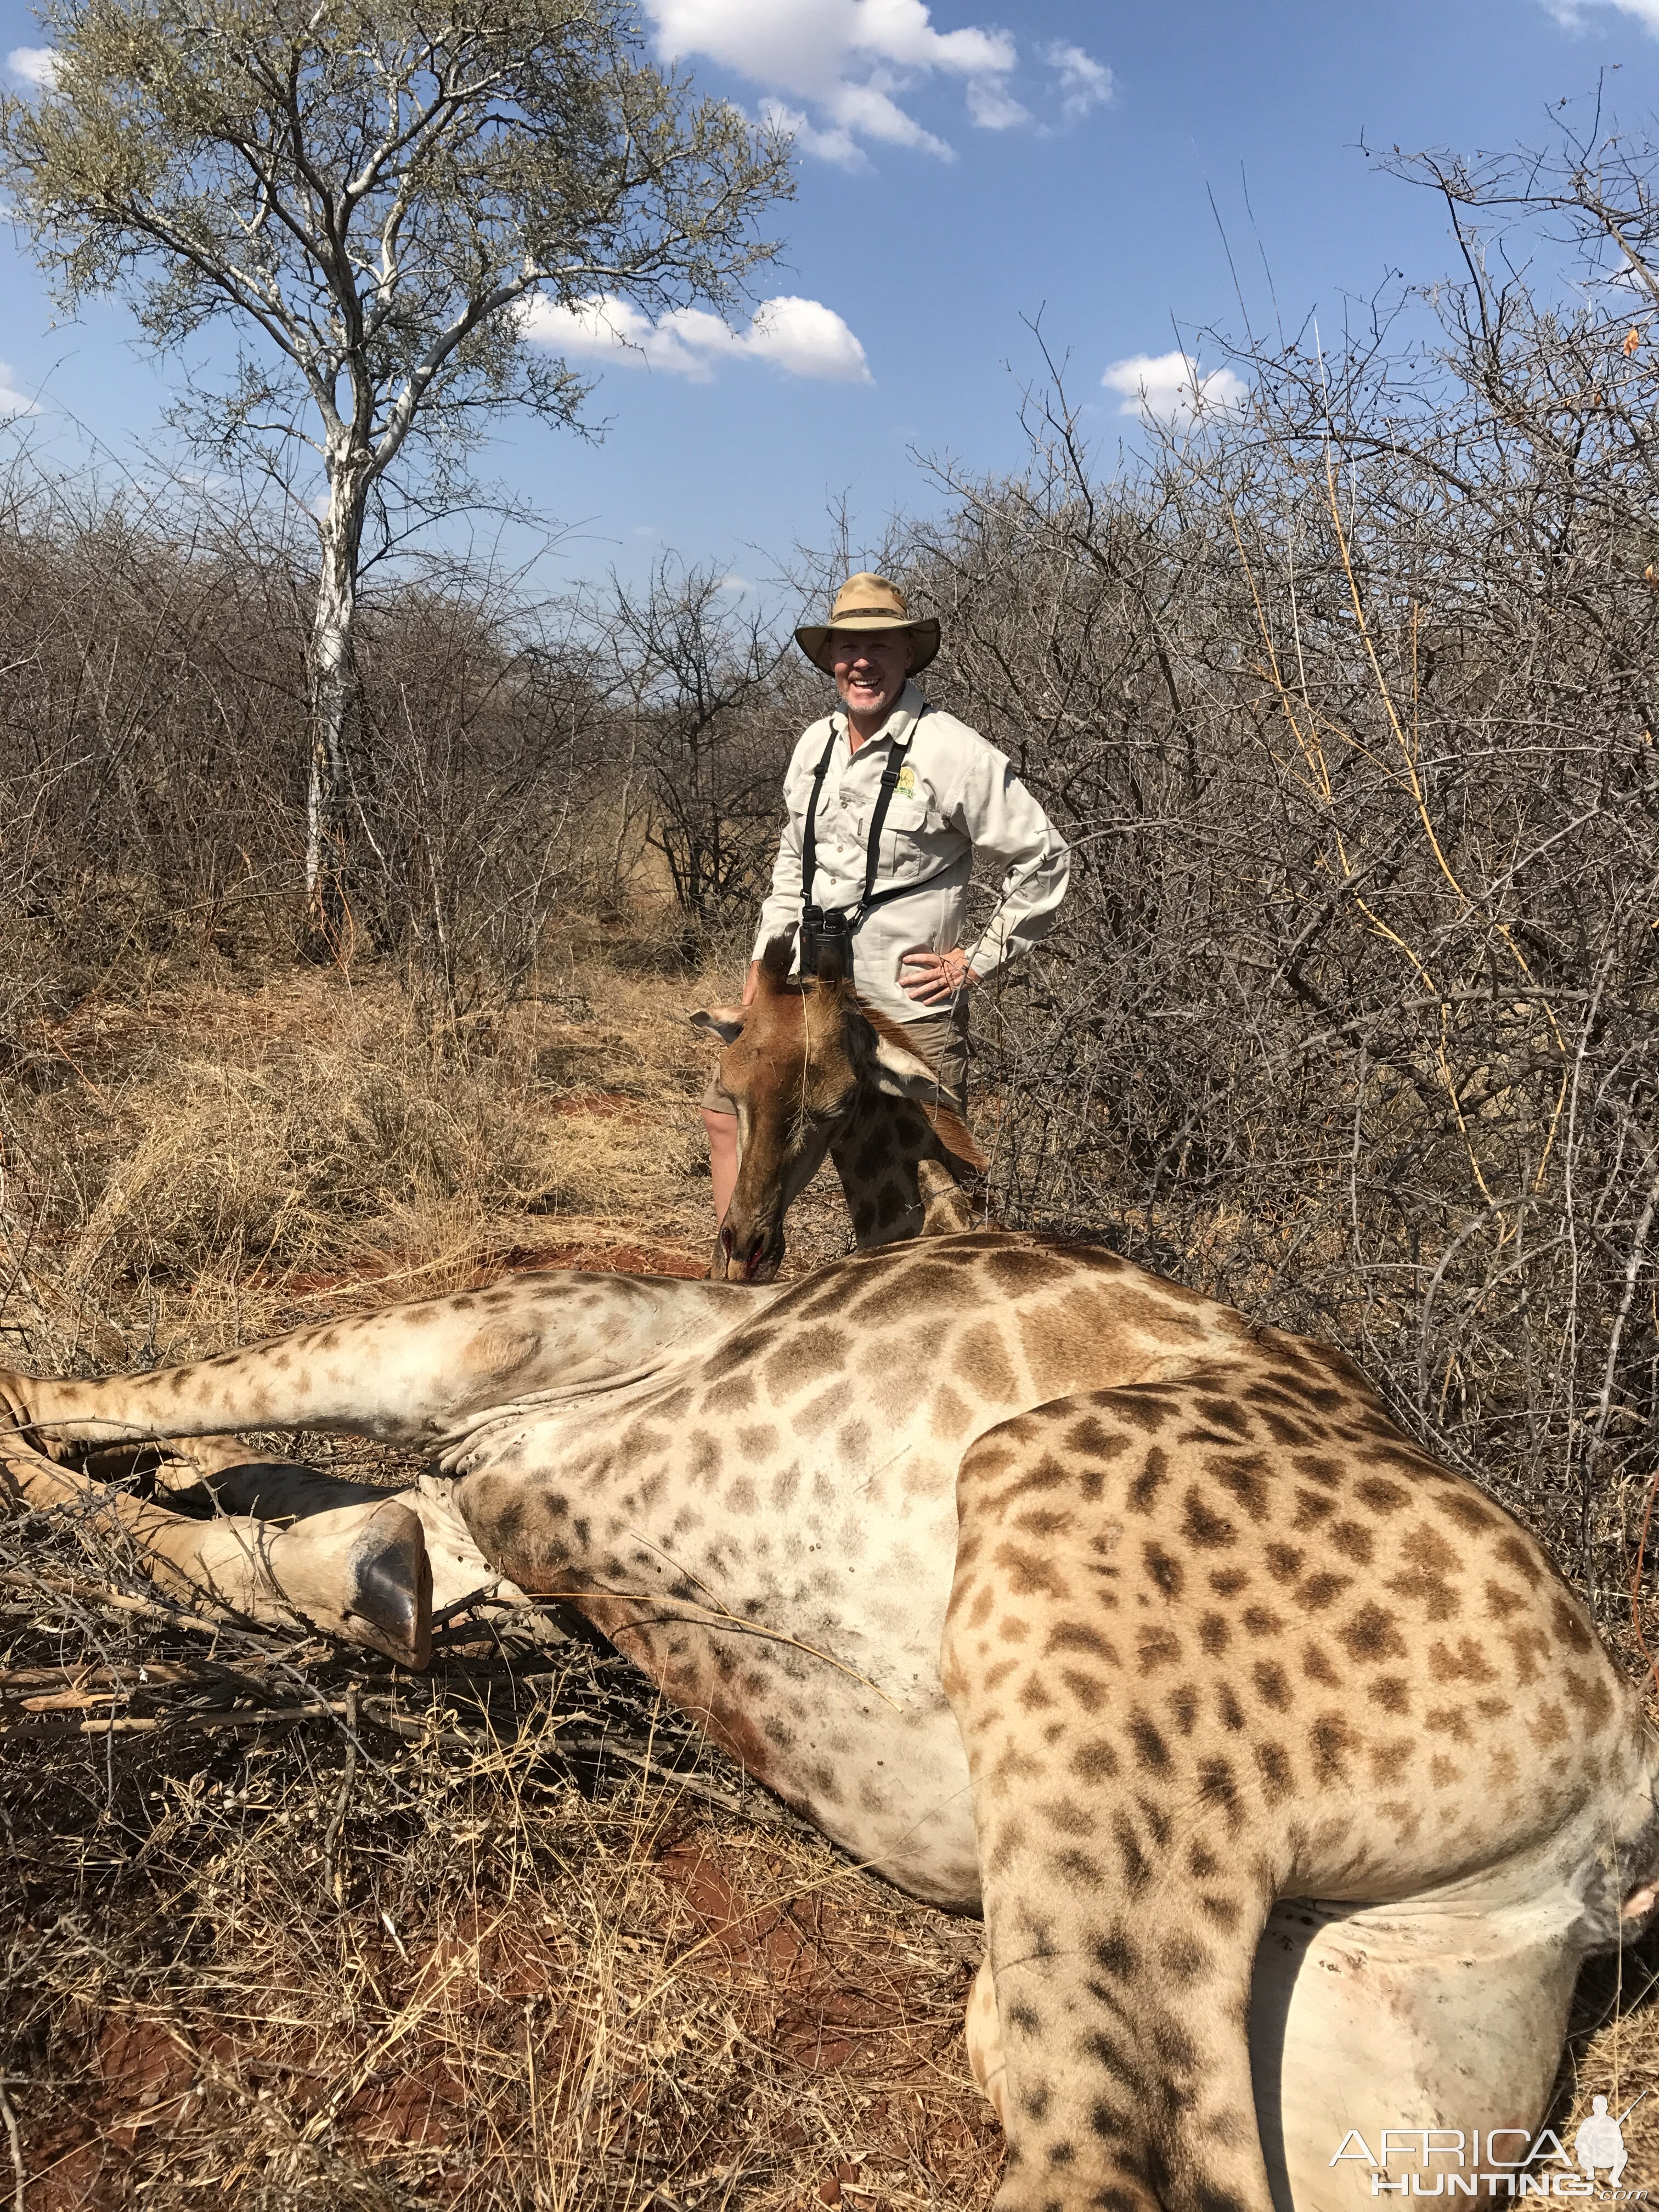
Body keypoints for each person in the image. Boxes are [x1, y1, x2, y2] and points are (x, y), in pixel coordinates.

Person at [701, 570, 1070, 1226]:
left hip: (903, 1007)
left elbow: (1044, 856)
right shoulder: (814, 744)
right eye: (847, 646)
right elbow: (794, 861)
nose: (862, 661)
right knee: (729, 1120)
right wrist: (764, 968)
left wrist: (973, 961)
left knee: (915, 1206)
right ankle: (736, 1286)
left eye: (879, 645)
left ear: (907, 653)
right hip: (808, 1001)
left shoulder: (951, 749)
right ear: (831, 659)